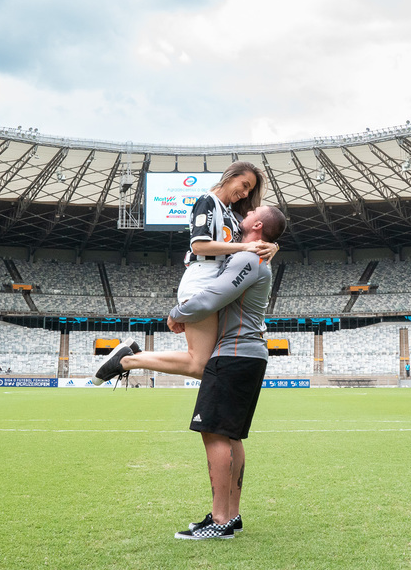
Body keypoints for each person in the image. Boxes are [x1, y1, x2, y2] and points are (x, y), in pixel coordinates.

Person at [96, 205, 286, 540]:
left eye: (253, 209)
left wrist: (178, 311)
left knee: (213, 434)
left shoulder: (248, 259)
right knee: (230, 436)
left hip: (235, 353)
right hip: (246, 354)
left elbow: (215, 294)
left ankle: (220, 519)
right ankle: (230, 516)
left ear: (257, 225)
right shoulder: (254, 256)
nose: (246, 209)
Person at [93, 162, 277, 385]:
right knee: (199, 364)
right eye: (244, 185)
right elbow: (199, 245)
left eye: (250, 190)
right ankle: (128, 360)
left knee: (204, 363)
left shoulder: (230, 212)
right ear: (229, 176)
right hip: (202, 278)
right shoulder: (207, 202)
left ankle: (131, 355)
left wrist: (274, 246)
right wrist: (244, 248)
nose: (246, 193)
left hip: (217, 281)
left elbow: (258, 232)